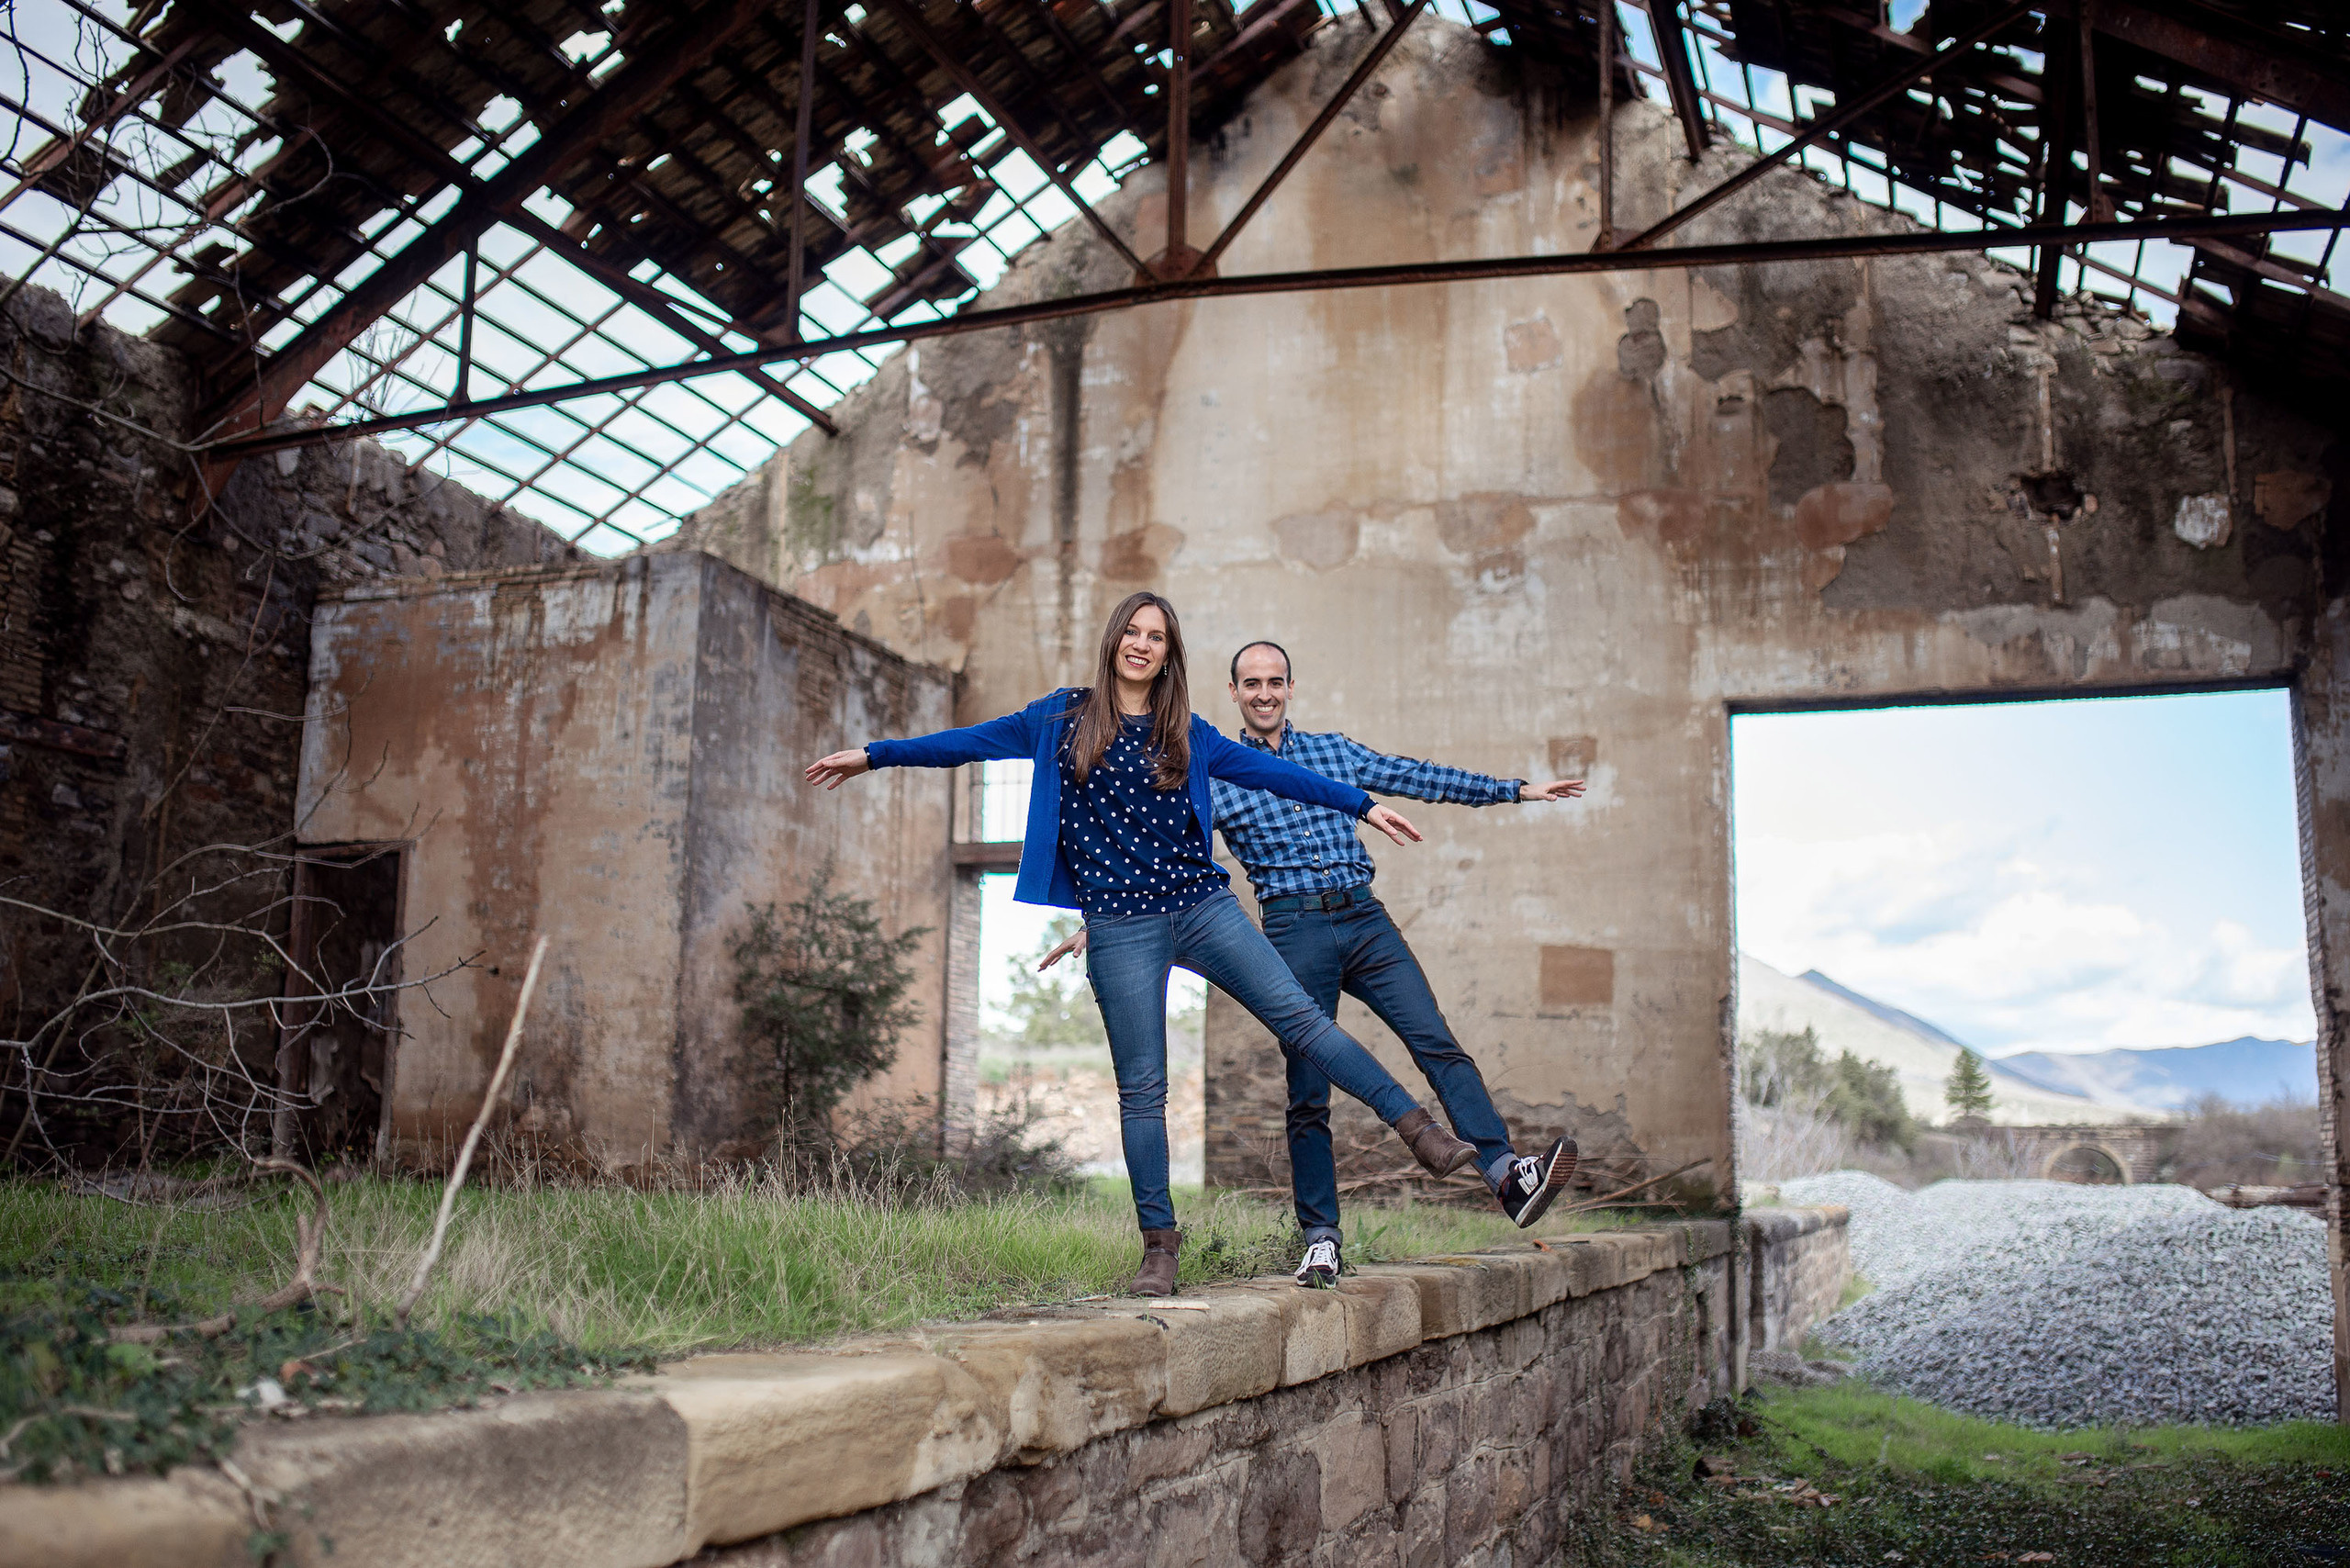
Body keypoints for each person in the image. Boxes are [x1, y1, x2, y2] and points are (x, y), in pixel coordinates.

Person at [805, 592, 1481, 1297]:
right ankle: (1159, 1248)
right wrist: (876, 756)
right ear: (1114, 639)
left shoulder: (1186, 731)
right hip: (1121, 925)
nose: (1142, 644)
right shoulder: (1061, 717)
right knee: (1143, 1091)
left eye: (1156, 636)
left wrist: (1362, 804)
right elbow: (966, 743)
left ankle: (1419, 1131)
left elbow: (1285, 776)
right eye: (1133, 631)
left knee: (1304, 1023)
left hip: (1202, 908)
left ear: (1169, 653)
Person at [1044, 639, 1588, 1288]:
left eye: (1275, 681)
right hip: (1293, 930)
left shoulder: (1333, 752)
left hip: (1365, 920)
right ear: (1236, 694)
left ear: (1291, 688)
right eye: (1252, 684)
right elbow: (1160, 851)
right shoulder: (1216, 772)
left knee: (1436, 1043)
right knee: (1308, 1094)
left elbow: (1415, 776)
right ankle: (1322, 1239)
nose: (1265, 693)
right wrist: (1099, 924)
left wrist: (1515, 790)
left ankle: (1505, 1174)